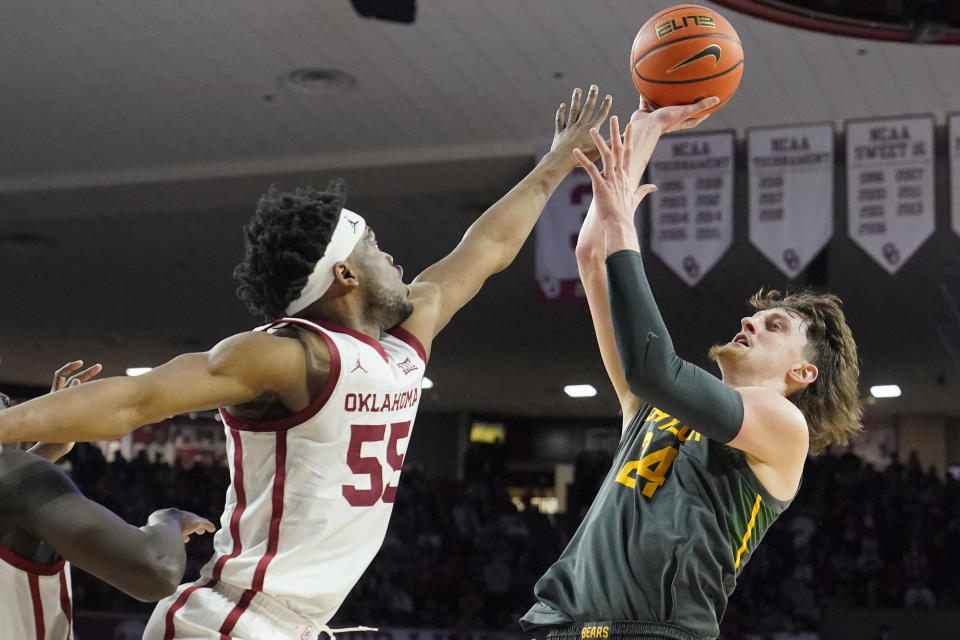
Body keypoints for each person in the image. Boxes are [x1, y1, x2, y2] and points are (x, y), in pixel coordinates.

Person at [0, 85, 613, 639]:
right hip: (228, 621)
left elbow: (488, 249)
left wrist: (558, 159)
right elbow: (135, 400)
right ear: (344, 274)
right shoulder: (289, 356)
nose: (392, 255)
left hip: (290, 624)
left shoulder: (404, 339)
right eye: (373, 246)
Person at [520, 99, 862, 640]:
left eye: (773, 326)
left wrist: (622, 225)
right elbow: (591, 256)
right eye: (754, 316)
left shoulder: (783, 428)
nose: (750, 322)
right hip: (566, 627)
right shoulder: (651, 408)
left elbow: (655, 367)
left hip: (658, 632)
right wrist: (646, 127)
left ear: (803, 374)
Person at [0, 361, 213, 640]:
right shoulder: (16, 474)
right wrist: (169, 518)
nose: (10, 401)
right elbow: (158, 569)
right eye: (4, 399)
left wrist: (49, 447)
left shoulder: (14, 480)